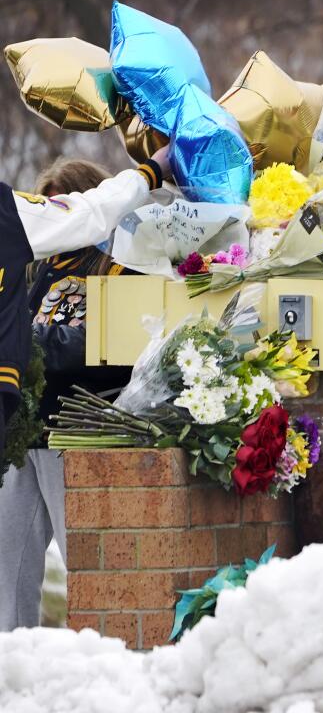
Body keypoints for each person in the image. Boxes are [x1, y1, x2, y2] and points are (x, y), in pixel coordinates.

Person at [0, 149, 170, 631]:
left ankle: (100, 664)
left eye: (65, 205)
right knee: (8, 569)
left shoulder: (124, 263)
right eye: (47, 204)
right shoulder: (35, 267)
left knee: (87, 564)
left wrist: (32, 344)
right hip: (24, 432)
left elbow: (121, 341)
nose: (59, 224)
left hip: (76, 431)